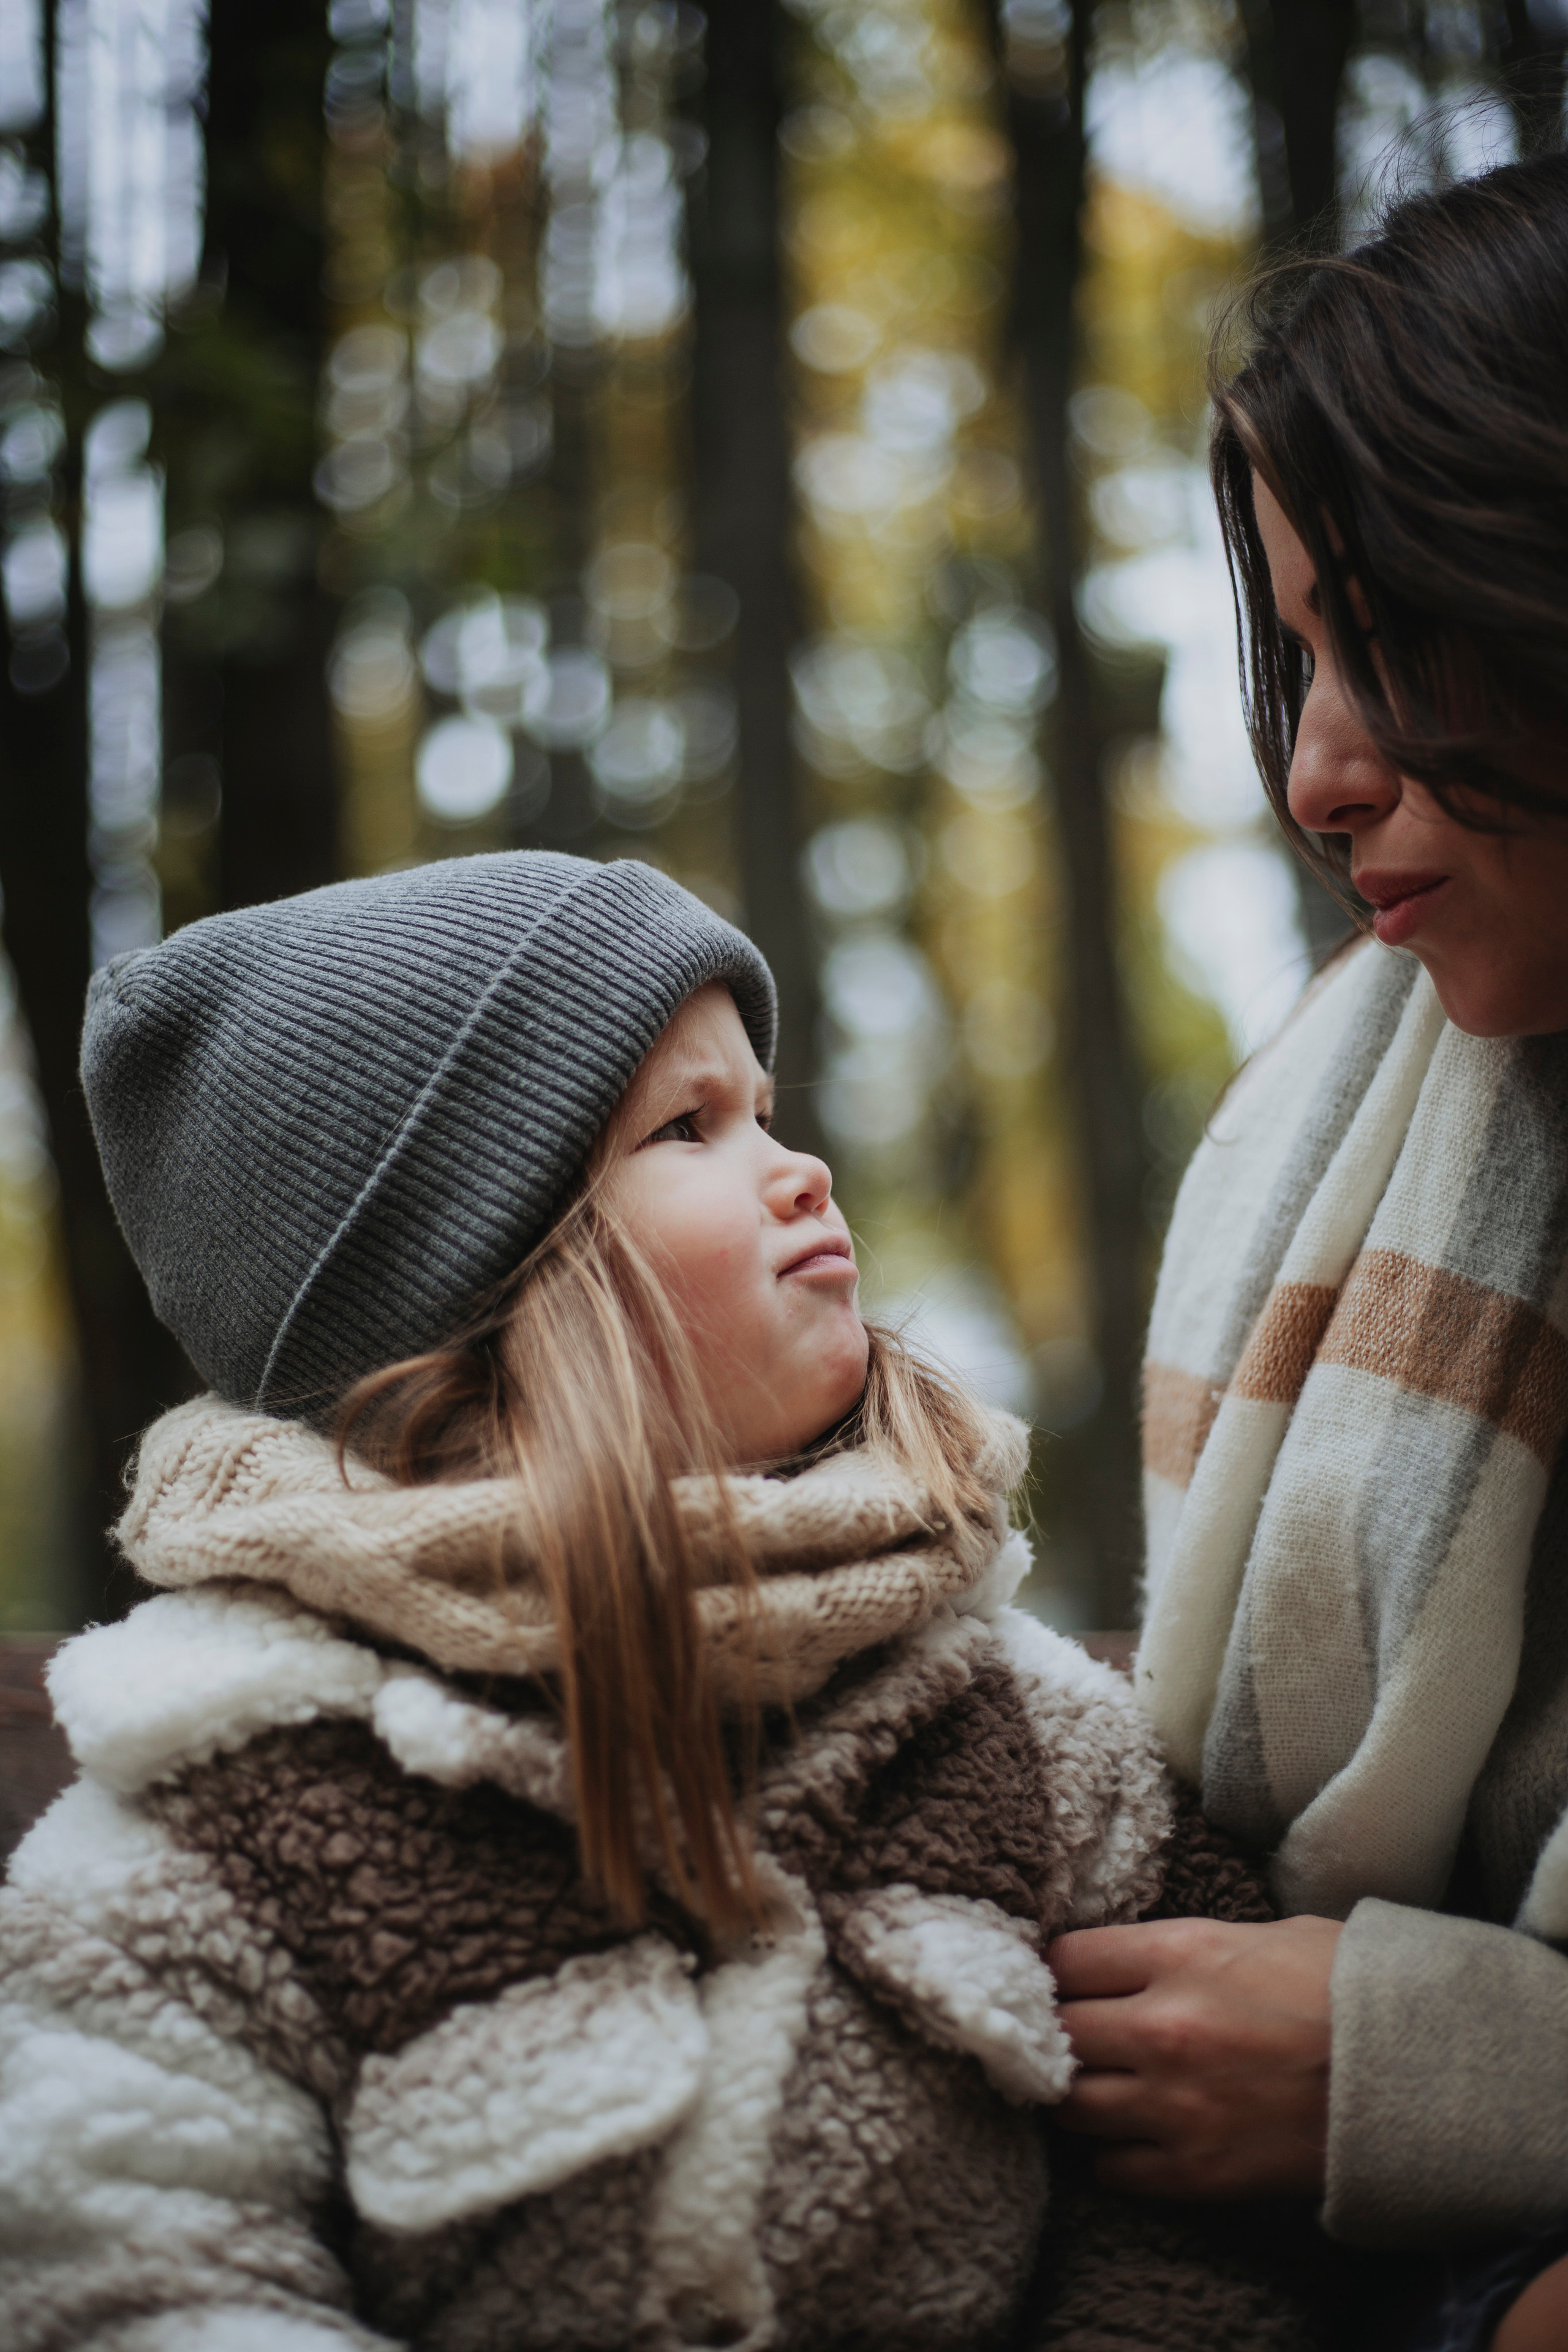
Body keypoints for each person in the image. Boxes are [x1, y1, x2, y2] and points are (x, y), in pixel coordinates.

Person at [0, 851, 1183, 2352]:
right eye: (686, 1127)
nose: (795, 1166)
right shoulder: (226, 1804)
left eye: (764, 1107)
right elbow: (135, 2277)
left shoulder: (1016, 1727)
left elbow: (1191, 2229)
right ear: (465, 1297)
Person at [1046, 151, 1568, 2352]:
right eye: (1302, 651)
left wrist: (1447, 2079)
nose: (1315, 772)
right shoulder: (1336, 1126)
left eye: (1393, 632)